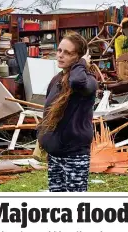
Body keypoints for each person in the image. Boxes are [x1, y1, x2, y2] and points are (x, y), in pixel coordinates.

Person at [37, 32, 97, 192]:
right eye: (59, 50)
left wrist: (83, 63)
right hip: (55, 154)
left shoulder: (88, 82)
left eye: (68, 53)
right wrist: (42, 137)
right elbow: (47, 112)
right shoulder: (56, 80)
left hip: (74, 155)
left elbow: (76, 81)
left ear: (78, 57)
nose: (60, 55)